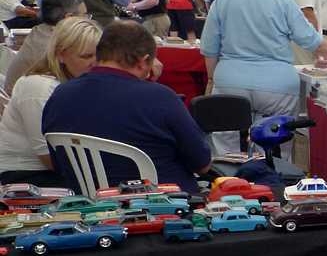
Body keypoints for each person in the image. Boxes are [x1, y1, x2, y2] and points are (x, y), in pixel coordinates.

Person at [200, 0, 327, 153]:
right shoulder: (284, 3)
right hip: (277, 89)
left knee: (226, 148)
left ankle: (230, 180)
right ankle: (270, 180)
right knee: (273, 149)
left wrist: (214, 78)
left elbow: (209, 48)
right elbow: (314, 42)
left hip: (230, 83)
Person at [42, 21, 212, 192]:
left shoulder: (60, 95)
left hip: (90, 206)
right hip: (164, 205)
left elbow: (60, 163)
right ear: (144, 61)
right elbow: (202, 164)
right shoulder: (160, 97)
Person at [0, 17, 101, 187]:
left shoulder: (76, 82)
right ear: (61, 55)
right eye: (86, 56)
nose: (95, 63)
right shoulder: (38, 88)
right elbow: (49, 157)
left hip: (54, 169)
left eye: (100, 56)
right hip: (24, 175)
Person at [3, 0, 87, 93]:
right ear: (68, 18)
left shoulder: (41, 32)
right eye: (85, 15)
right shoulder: (55, 47)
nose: (88, 20)